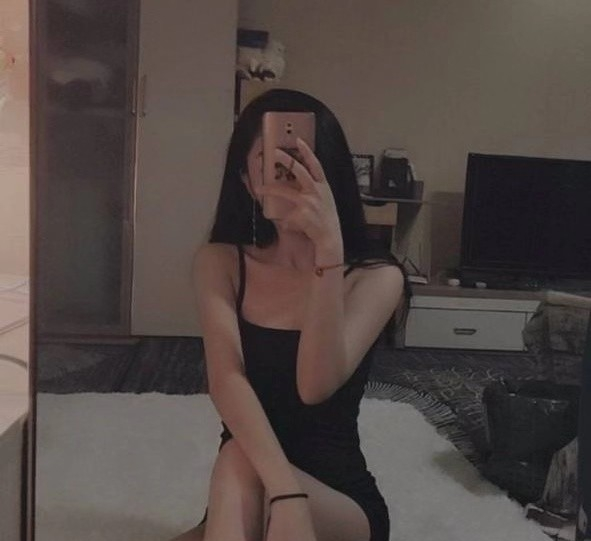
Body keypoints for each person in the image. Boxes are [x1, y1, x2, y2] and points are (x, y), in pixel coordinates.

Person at [172, 89, 411, 541]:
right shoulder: (221, 262)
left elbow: (315, 386)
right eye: (274, 162)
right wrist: (284, 492)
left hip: (337, 501)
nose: (290, 175)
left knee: (238, 459)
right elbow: (227, 381)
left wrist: (328, 253)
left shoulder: (377, 278)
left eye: (301, 160)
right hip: (249, 484)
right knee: (239, 458)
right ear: (246, 179)